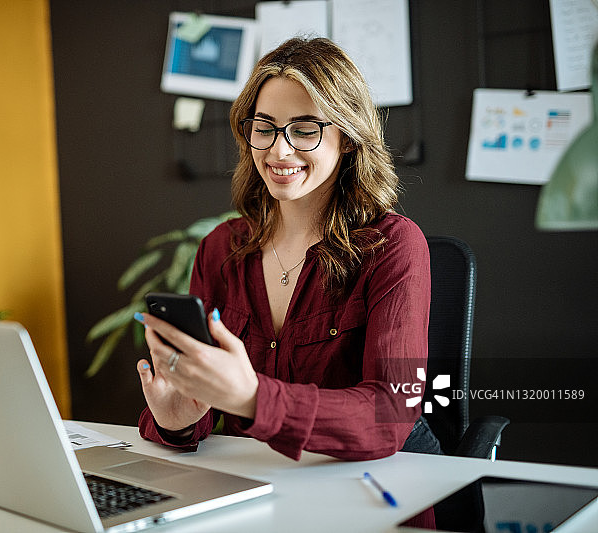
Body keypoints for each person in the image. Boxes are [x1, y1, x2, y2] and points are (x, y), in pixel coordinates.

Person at [134, 37, 441, 461]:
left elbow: (390, 412)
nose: (279, 150)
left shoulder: (393, 246)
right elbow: (202, 398)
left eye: (305, 129)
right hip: (259, 480)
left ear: (348, 137)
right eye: (264, 128)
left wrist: (256, 400)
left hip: (381, 478)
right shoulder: (220, 250)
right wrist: (177, 420)